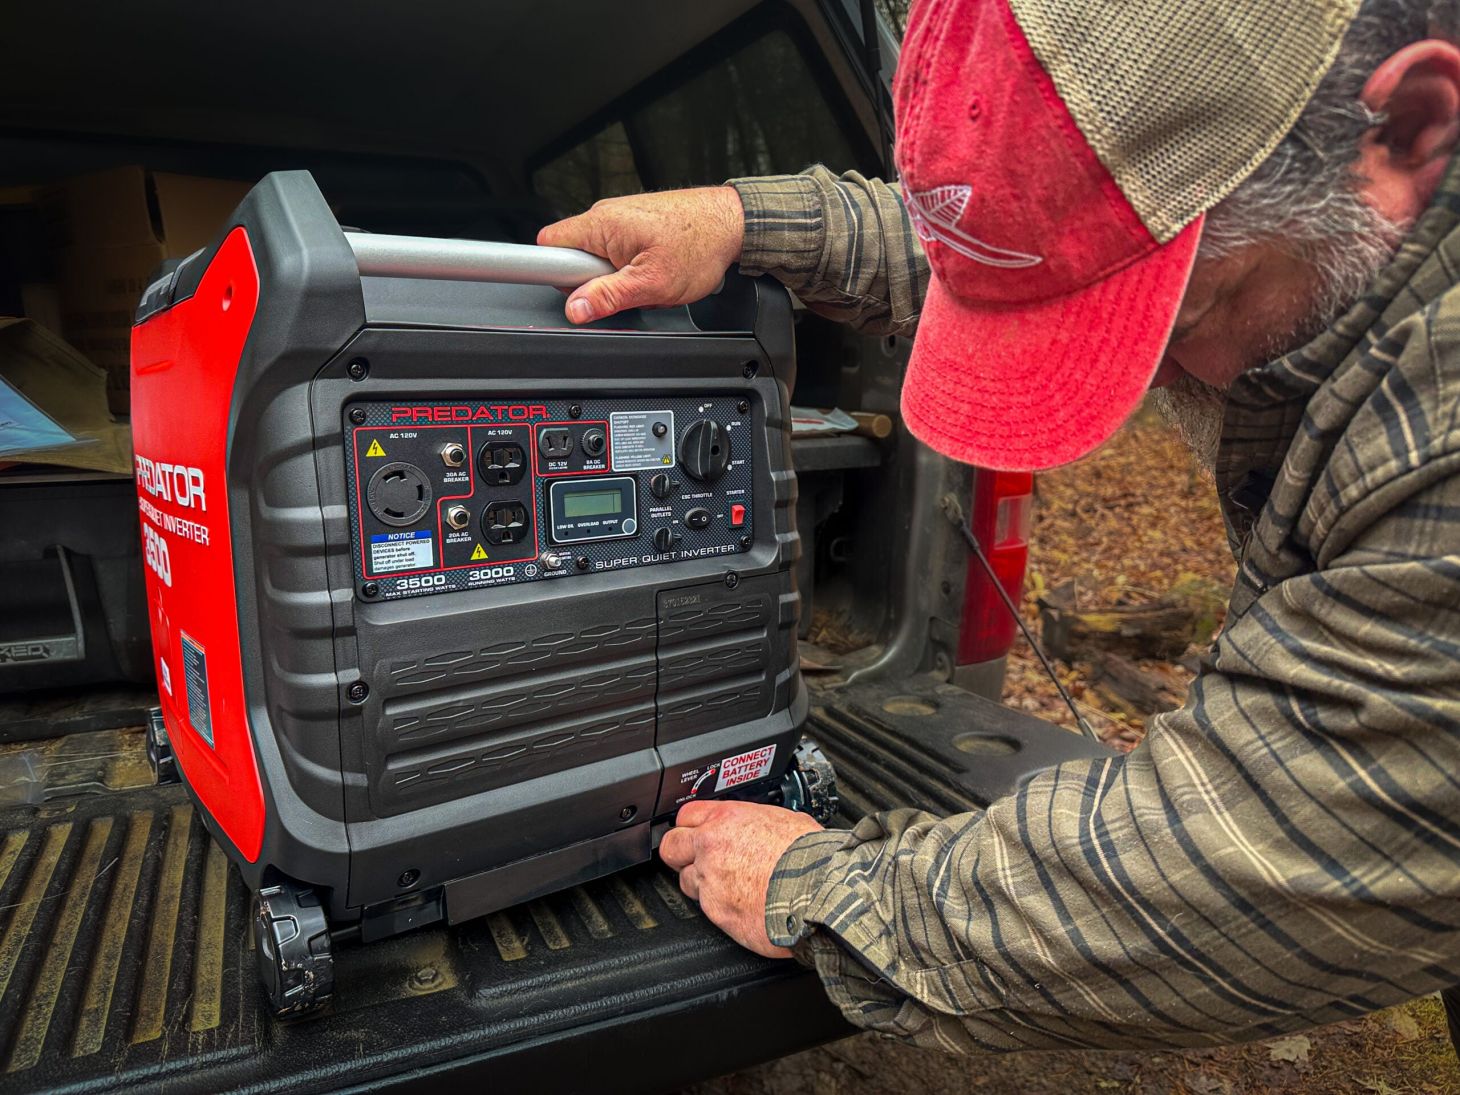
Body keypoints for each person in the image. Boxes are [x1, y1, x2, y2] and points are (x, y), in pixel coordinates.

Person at [540, 0, 1460, 1053]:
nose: (1156, 375)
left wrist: (824, 891)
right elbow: (1019, 246)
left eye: (1172, 311)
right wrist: (746, 220)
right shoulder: (1318, 227)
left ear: (1406, 128)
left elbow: (1283, 858)